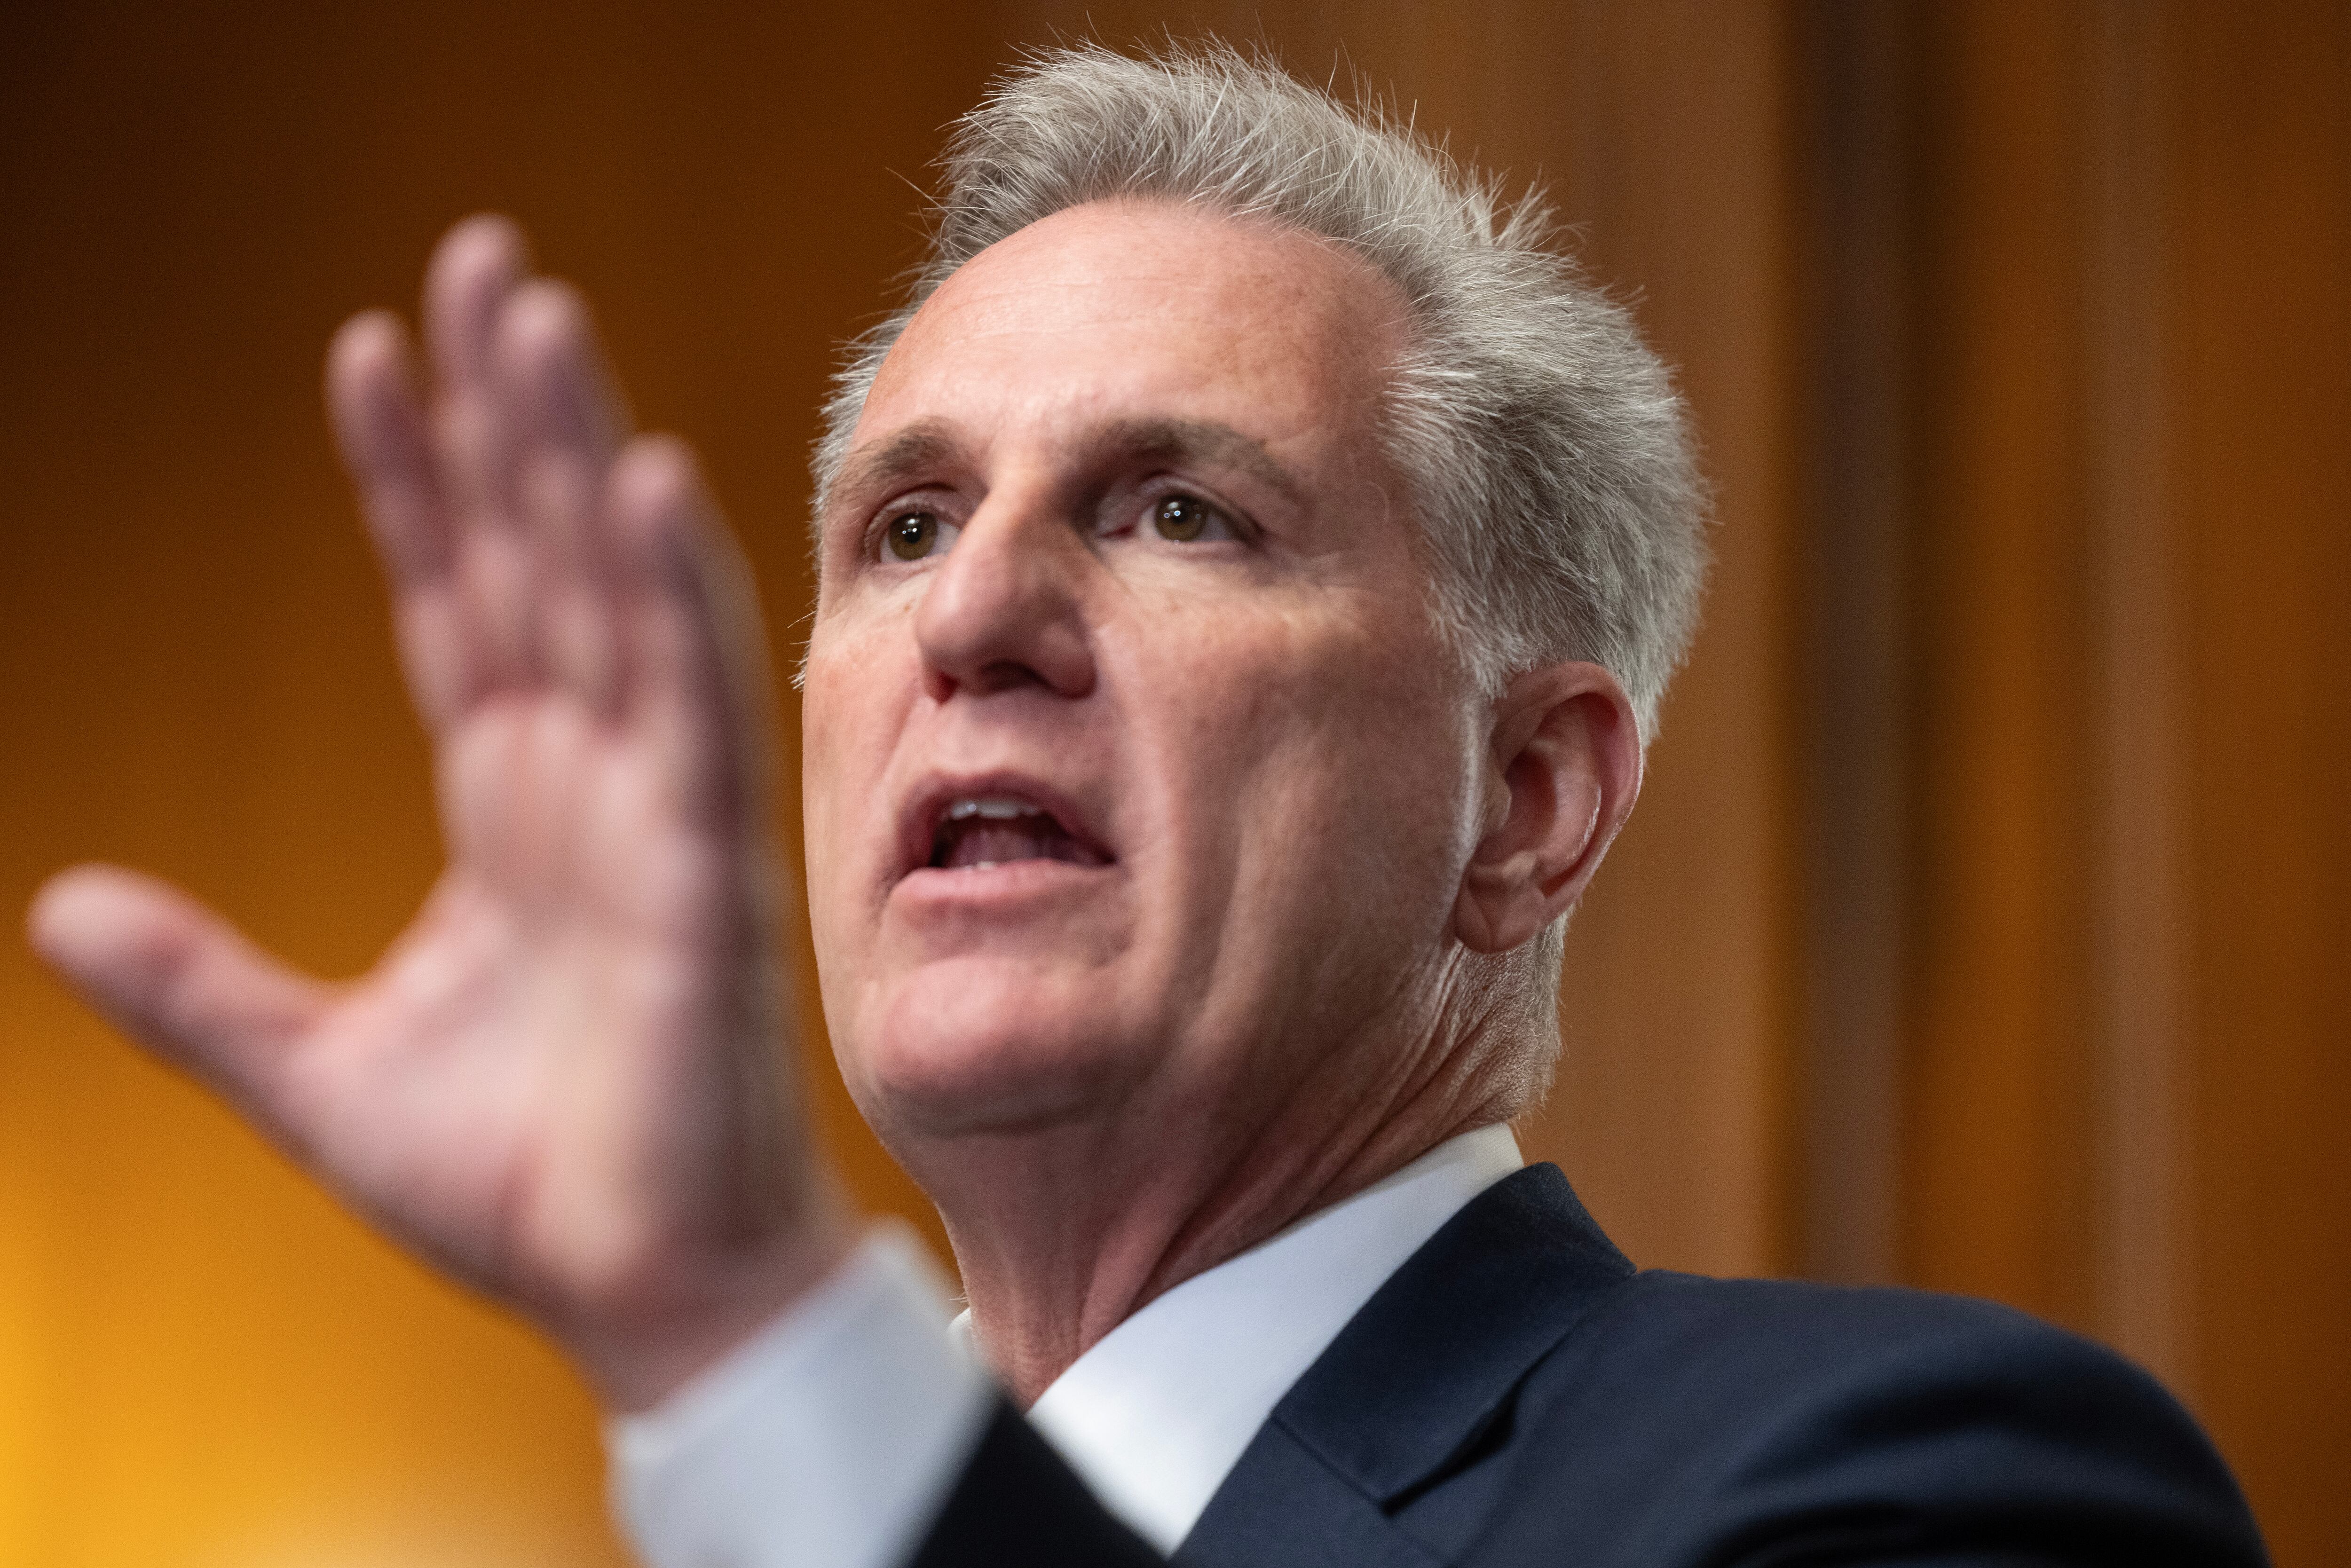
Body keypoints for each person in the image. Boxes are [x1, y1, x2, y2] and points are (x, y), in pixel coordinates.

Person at [28, 43, 2264, 1568]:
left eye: (1179, 511)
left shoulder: (1913, 1490)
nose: (976, 609)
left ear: (1528, 799)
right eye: (900, 528)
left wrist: (747, 1327)